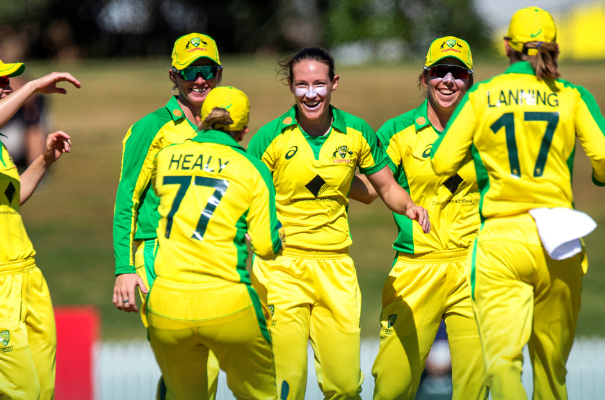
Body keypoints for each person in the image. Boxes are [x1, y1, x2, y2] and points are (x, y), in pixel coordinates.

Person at [429, 7, 605, 400]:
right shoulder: (571, 95)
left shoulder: (482, 95)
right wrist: (603, 178)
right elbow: (604, 154)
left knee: (501, 364)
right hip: (560, 239)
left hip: (501, 238)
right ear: (555, 48)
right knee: (551, 370)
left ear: (506, 47)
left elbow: (442, 161)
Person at [248, 46, 430, 400]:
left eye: (319, 83)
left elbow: (384, 187)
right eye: (302, 84)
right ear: (291, 86)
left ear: (334, 83)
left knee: (345, 387)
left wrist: (408, 205)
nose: (311, 93)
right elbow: (245, 197)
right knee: (288, 383)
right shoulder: (269, 138)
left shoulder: (356, 132)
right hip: (281, 269)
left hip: (336, 269)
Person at [366, 36, 487, 400]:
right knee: (392, 385)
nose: (448, 80)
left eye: (458, 73)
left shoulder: (488, 131)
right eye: (439, 71)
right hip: (416, 268)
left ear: (470, 79)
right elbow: (371, 189)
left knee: (476, 384)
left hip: (475, 266)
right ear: (424, 78)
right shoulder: (397, 131)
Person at [146, 86, 283, 400]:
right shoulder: (251, 167)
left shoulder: (166, 157)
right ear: (244, 131)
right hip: (228, 303)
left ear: (202, 119)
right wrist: (279, 235)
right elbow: (265, 246)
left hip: (167, 305)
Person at [111, 32, 222, 398]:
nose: (200, 79)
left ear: (219, 74)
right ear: (173, 75)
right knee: (191, 362)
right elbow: (127, 197)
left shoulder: (224, 129)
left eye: (207, 69)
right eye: (191, 71)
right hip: (158, 255)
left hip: (207, 257)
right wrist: (124, 269)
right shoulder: (151, 128)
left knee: (201, 361)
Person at [0, 60, 81, 399]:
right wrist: (33, 86)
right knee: (22, 391)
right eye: (0, 80)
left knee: (42, 390)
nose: (9, 85)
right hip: (1, 283)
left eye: (10, 80)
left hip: (27, 275)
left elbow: (13, 197)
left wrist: (45, 159)